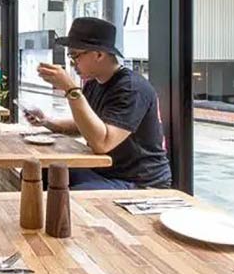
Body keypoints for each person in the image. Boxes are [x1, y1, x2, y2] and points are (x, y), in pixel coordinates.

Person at [25, 17, 172, 191]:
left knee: (70, 195)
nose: (72, 64)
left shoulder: (131, 89)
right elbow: (88, 126)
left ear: (99, 54)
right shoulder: (94, 83)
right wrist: (46, 121)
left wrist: (71, 90)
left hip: (140, 182)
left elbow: (102, 143)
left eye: (75, 56)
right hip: (104, 172)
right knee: (38, 174)